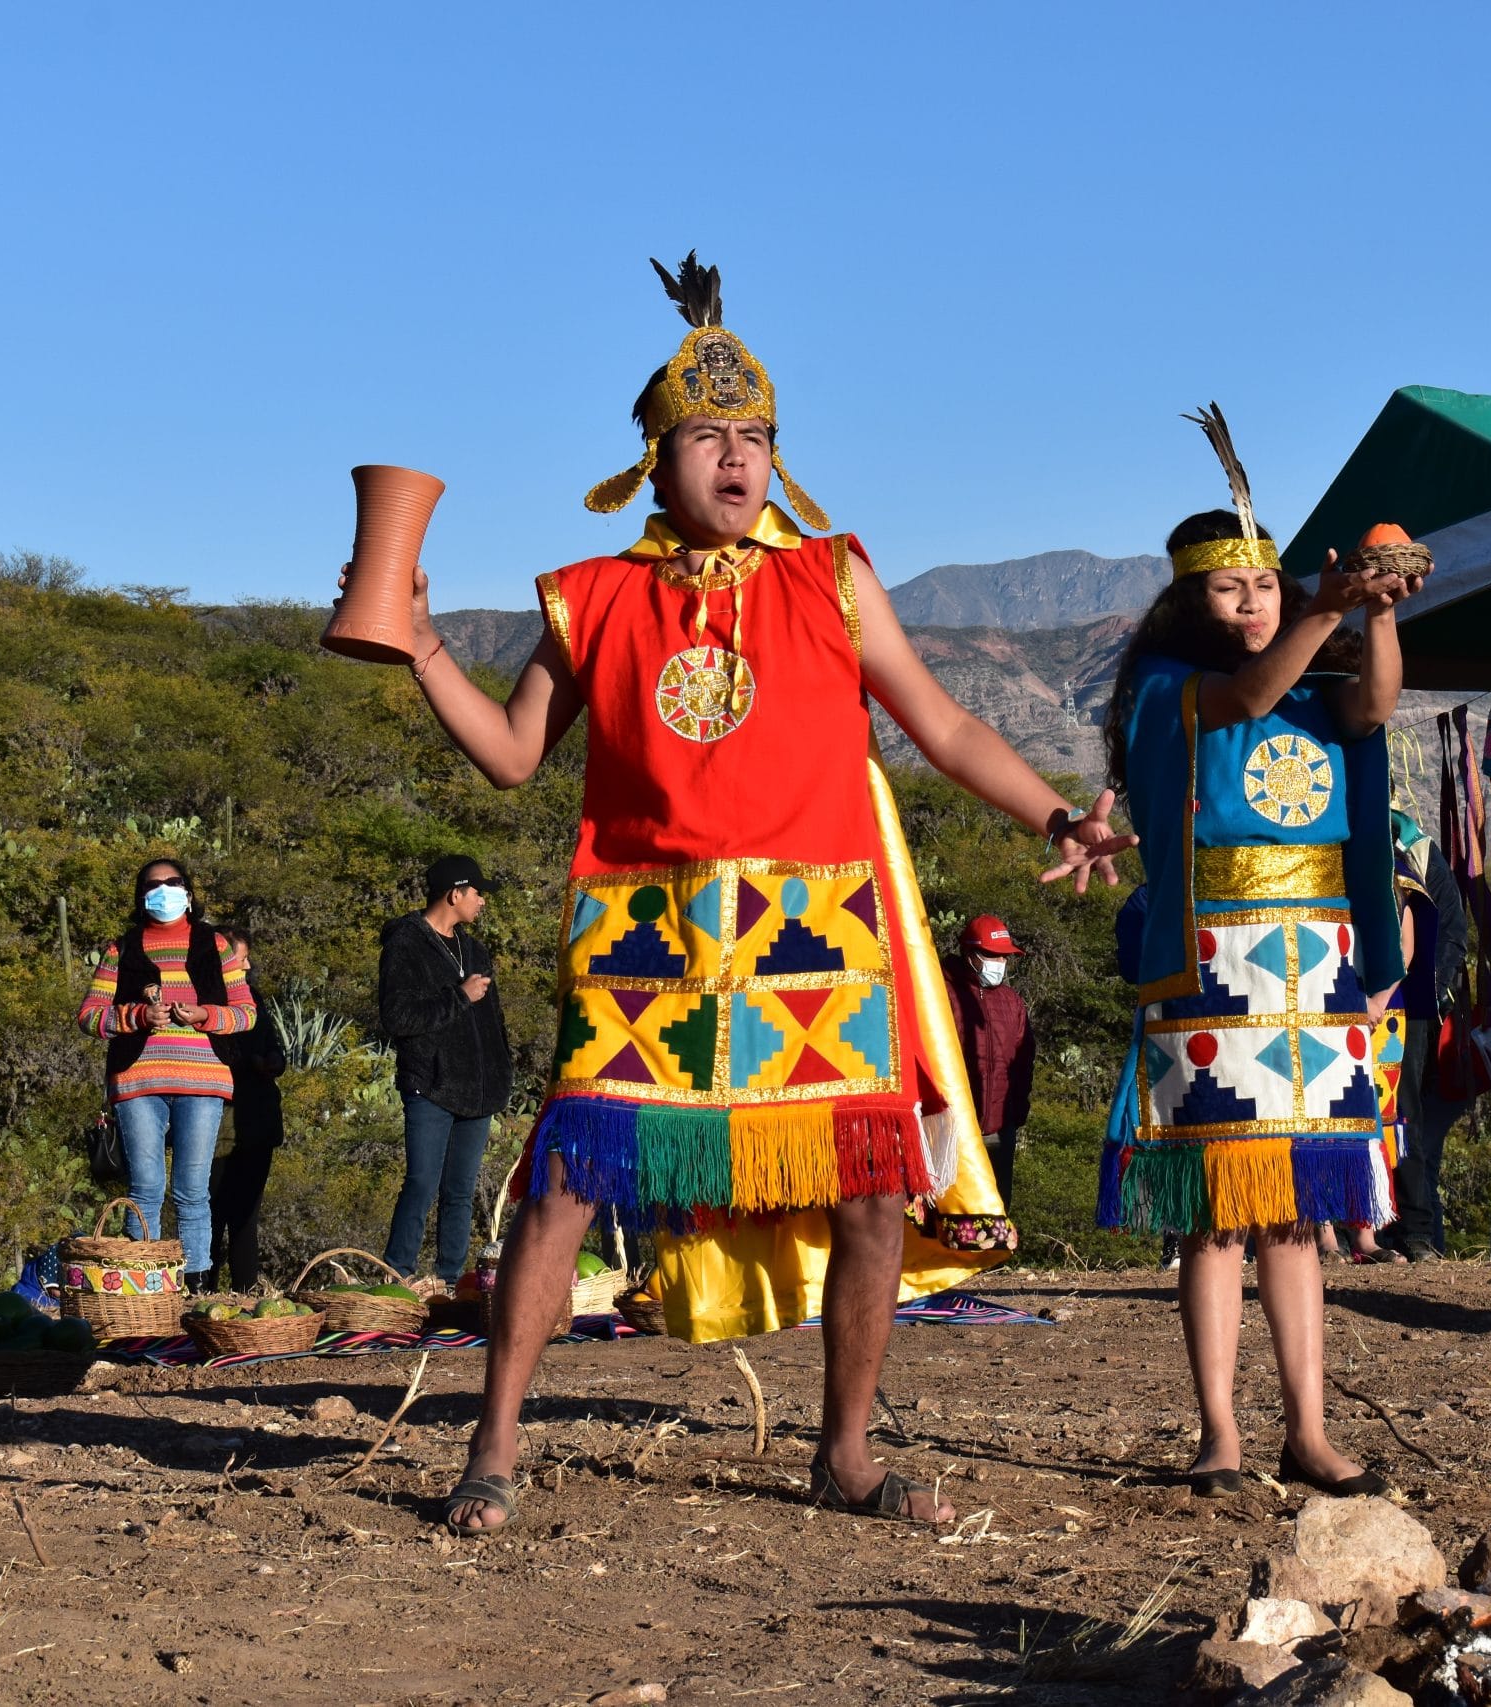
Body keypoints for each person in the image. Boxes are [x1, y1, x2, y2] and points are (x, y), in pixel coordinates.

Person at [348, 254, 1130, 1532]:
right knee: (562, 1186)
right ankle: (492, 1450)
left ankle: (848, 1455)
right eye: (705, 434)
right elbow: (507, 759)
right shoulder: (591, 598)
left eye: (756, 435)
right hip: (643, 933)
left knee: (870, 1186)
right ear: (652, 461)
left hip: (813, 932)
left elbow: (937, 722)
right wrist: (425, 641)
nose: (735, 457)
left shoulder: (829, 576)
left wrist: (1054, 811)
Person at [1097, 403, 1421, 1499]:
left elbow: (1373, 707)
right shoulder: (1169, 693)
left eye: (1267, 586)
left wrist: (1370, 614)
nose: (1252, 602)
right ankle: (1219, 1436)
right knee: (1213, 1216)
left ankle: (1310, 1430)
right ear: (1193, 601)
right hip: (1211, 965)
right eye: (1232, 589)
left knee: (1293, 1215)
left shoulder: (1319, 693)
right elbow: (1246, 693)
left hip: (1316, 960)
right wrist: (1321, 613)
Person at [75, 860, 255, 1288]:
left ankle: (193, 1288)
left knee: (193, 1190)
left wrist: (203, 1014)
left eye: (172, 883)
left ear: (188, 893)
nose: (163, 891)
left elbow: (246, 1013)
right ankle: (145, 1284)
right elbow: (88, 1015)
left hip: (204, 1080)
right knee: (146, 1189)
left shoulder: (216, 946)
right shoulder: (121, 948)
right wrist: (136, 1016)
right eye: (153, 885)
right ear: (141, 896)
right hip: (138, 1082)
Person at [377, 854, 512, 1283]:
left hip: (477, 1093)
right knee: (420, 1184)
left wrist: (500, 1072)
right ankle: (398, 1279)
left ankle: (451, 1284)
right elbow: (398, 1018)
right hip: (430, 1086)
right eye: (477, 893)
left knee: (460, 1193)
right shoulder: (405, 944)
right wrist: (459, 997)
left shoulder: (475, 950)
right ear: (454, 894)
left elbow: (494, 1021)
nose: (482, 902)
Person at [1383, 809, 1468, 1261]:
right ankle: (1350, 1228)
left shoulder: (1416, 857)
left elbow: (1448, 931)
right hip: (1337, 1000)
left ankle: (1414, 1230)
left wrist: (1433, 993)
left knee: (1403, 1110)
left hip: (1407, 1008)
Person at [209, 926, 287, 1293]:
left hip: (257, 1123)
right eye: (242, 959)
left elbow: (274, 1044)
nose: (248, 965)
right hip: (218, 1126)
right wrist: (247, 1064)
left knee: (246, 1217)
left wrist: (272, 1060)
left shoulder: (253, 998)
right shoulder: (202, 1004)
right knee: (209, 1213)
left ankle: (245, 1290)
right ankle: (201, 1288)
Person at [944, 915, 1035, 1209]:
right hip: (951, 1129)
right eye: (991, 954)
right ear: (969, 954)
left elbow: (1023, 1063)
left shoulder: (1013, 1002)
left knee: (996, 1213)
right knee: (950, 1212)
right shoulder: (941, 993)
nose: (999, 962)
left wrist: (1015, 1115)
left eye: (1004, 956)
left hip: (999, 1130)